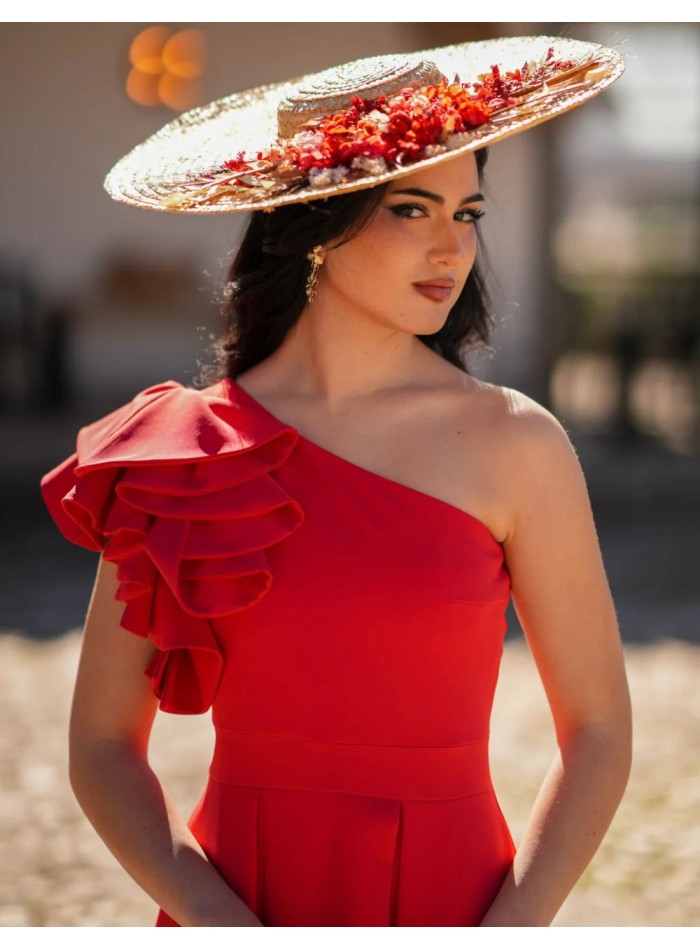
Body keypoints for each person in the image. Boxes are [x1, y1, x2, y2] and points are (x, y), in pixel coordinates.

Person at [40, 36, 632, 927]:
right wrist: (219, 924)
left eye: (467, 211)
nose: (453, 246)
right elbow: (100, 745)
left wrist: (510, 933)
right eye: (411, 210)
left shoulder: (518, 443)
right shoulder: (182, 451)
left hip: (451, 901)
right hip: (234, 905)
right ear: (314, 225)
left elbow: (599, 734)